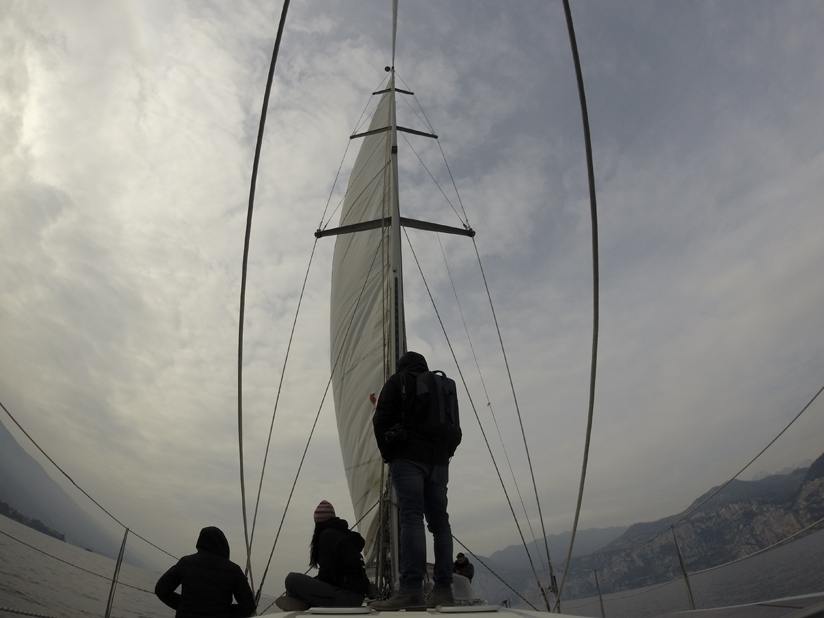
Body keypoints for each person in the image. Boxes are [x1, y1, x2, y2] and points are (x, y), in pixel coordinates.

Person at [370, 351, 461, 610]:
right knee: (440, 523)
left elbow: (380, 419)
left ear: (402, 366)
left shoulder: (398, 381)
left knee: (411, 517)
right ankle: (444, 589)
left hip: (408, 459)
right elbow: (455, 429)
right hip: (439, 462)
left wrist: (390, 454)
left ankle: (411, 589)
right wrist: (444, 455)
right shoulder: (442, 388)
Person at [275, 500, 371, 610]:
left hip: (346, 599)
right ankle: (300, 601)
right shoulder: (344, 535)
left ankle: (301, 602)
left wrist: (306, 590)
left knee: (291, 580)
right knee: (300, 585)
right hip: (355, 598)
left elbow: (327, 577)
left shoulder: (328, 536)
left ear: (318, 523)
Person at [155, 526, 255, 618]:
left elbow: (161, 590)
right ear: (224, 545)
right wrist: (225, 612)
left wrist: (185, 606)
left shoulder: (186, 562)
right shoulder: (234, 570)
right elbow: (249, 606)